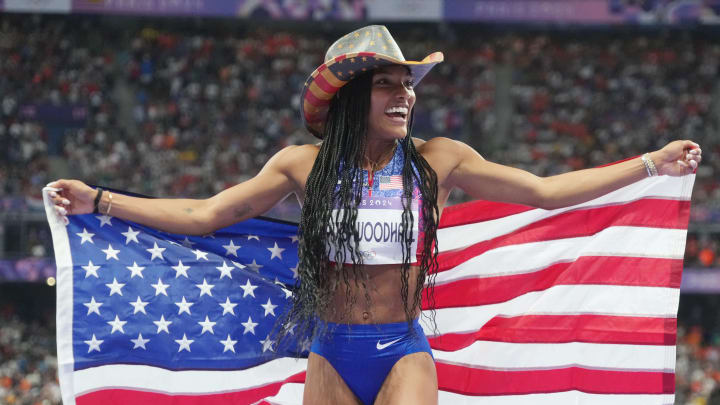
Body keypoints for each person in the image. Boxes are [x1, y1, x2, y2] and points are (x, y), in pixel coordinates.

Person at [47, 25, 702, 405]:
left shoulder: (441, 160)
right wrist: (99, 200)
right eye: (390, 84)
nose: (406, 96)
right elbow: (202, 214)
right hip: (330, 351)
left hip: (402, 351)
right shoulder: (300, 166)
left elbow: (547, 191)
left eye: (408, 84)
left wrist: (650, 161)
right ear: (354, 96)